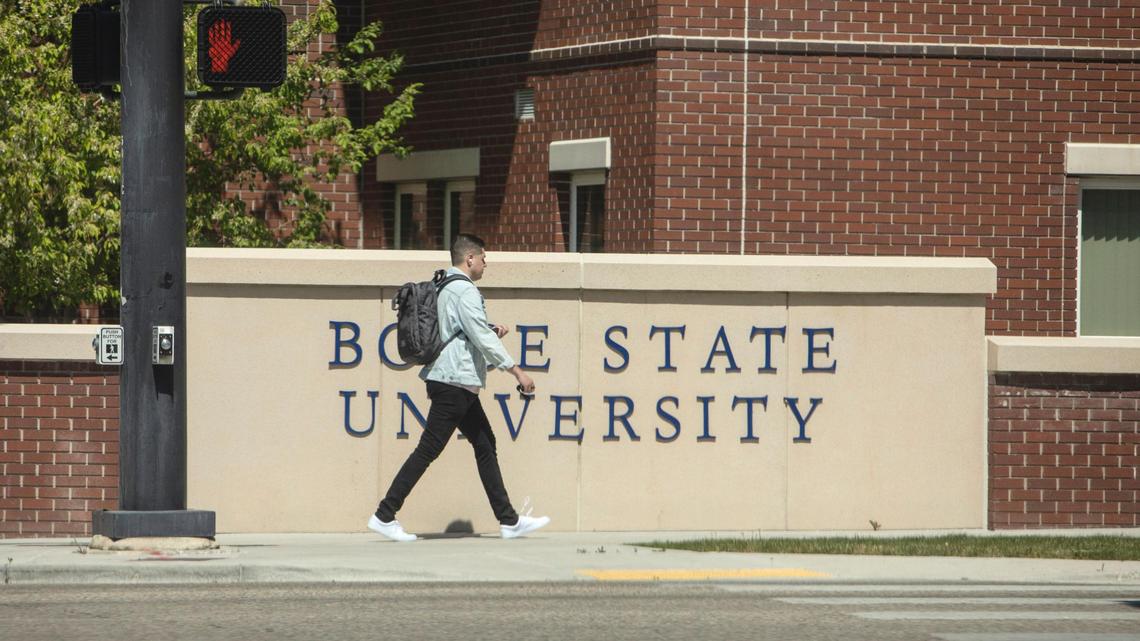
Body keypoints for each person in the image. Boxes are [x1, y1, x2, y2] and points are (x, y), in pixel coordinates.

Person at [368, 233, 551, 542]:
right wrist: (517, 372)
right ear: (470, 258)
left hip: (456, 382)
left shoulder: (444, 287)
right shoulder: (465, 291)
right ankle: (384, 514)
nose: (485, 264)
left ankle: (509, 521)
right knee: (429, 449)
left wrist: (491, 333)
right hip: (453, 383)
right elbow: (479, 335)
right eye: (483, 258)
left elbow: (464, 333)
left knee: (484, 443)